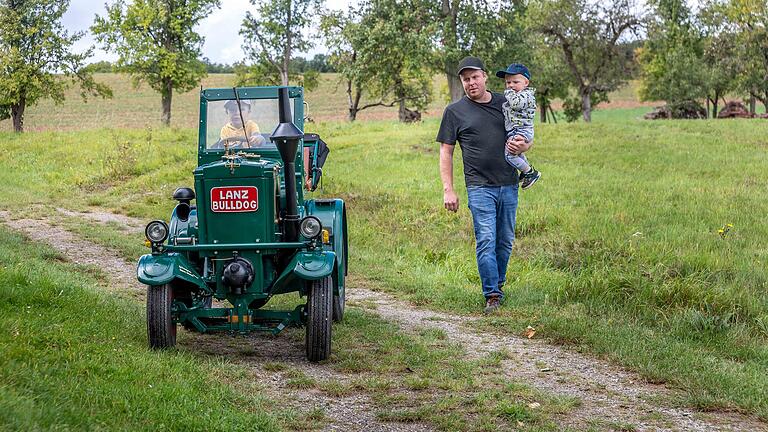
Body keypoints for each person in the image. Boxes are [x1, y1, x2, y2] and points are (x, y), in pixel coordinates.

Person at [437, 56, 532, 314]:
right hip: (479, 187)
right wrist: (449, 189)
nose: (471, 83)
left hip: (509, 183)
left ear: (485, 76)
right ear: (462, 82)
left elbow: (525, 133)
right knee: (487, 239)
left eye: (475, 77)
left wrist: (524, 146)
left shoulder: (506, 102)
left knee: (505, 241)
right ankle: (492, 294)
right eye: (466, 79)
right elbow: (446, 152)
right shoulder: (454, 112)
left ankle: (498, 284)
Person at [496, 63, 541, 189]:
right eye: (508, 82)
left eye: (515, 82)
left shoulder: (526, 95)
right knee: (515, 152)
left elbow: (516, 104)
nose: (510, 86)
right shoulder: (517, 94)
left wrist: (508, 93)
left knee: (509, 155)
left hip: (521, 130)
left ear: (526, 82)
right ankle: (525, 171)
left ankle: (530, 173)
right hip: (516, 129)